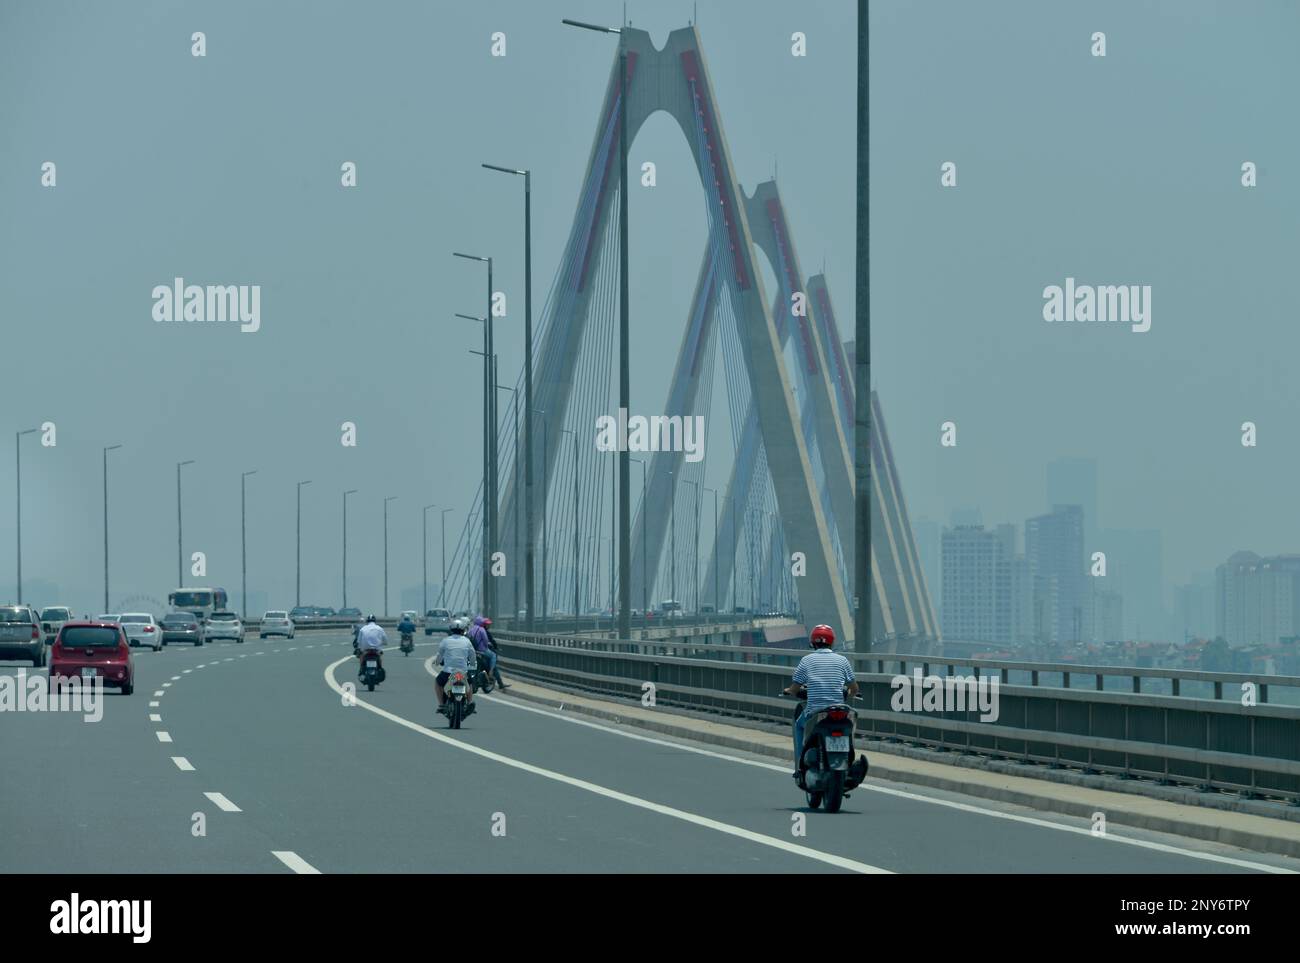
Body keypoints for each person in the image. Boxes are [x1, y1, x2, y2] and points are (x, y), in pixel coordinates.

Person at [782, 624, 859, 780]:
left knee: (798, 725)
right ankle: (849, 759)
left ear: (813, 642)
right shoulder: (842, 660)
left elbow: (795, 687)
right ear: (832, 642)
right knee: (849, 728)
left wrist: (789, 691)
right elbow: (854, 688)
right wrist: (849, 695)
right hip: (839, 709)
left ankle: (799, 767)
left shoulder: (807, 660)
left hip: (815, 712)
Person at [435, 617, 478, 716]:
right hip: (463, 672)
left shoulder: (445, 641)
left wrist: (437, 662)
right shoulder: (467, 641)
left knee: (438, 683)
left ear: (451, 630)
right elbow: (473, 655)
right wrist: (472, 664)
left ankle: (441, 704)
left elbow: (439, 655)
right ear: (463, 630)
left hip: (448, 672)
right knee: (470, 683)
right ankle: (469, 702)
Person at [469, 615, 509, 690]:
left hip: (473, 650)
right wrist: (487, 645)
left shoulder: (471, 629)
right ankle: (490, 671)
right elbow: (485, 640)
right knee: (493, 655)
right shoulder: (481, 629)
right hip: (482, 650)